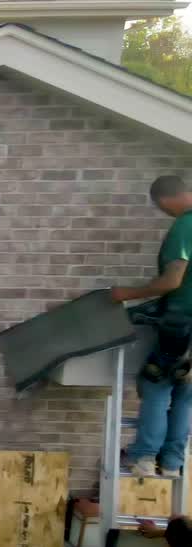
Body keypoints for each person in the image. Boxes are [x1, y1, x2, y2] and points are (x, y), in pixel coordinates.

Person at [111, 176, 192, 479]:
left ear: (163, 201)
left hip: (182, 319)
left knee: (157, 383)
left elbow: (172, 281)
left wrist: (126, 294)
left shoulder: (185, 226)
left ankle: (144, 456)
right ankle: (172, 463)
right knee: (185, 390)